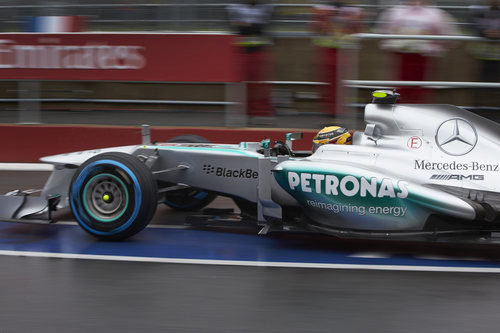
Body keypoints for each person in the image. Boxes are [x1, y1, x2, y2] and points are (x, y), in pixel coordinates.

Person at [376, 0, 459, 103]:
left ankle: (414, 108)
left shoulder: (435, 14)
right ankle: (400, 109)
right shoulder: (396, 12)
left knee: (419, 87)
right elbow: (384, 32)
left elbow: (448, 35)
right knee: (401, 85)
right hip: (401, 56)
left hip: (425, 57)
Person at [311, 1, 363, 116]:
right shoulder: (322, 8)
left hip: (345, 51)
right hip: (326, 49)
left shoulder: (353, 10)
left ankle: (337, 111)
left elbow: (357, 29)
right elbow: (315, 27)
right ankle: (328, 110)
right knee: (327, 81)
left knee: (340, 83)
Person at [227, 1, 274, 124]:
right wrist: (251, 25)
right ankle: (245, 113)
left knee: (260, 84)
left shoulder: (265, 6)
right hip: (242, 51)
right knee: (243, 84)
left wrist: (245, 25)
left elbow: (261, 26)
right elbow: (234, 25)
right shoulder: (235, 6)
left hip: (259, 50)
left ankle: (260, 113)